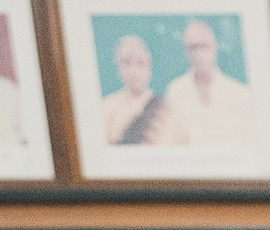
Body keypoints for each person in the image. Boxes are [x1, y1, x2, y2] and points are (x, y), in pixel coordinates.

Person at [154, 17, 256, 148]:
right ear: (185, 52)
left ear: (214, 47)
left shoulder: (240, 93)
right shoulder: (175, 91)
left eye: (203, 46)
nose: (198, 53)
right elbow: (171, 142)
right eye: (192, 48)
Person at [99, 30, 166, 147]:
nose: (134, 71)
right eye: (127, 63)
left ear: (149, 66)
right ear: (119, 67)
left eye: (140, 63)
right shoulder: (106, 107)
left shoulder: (166, 109)